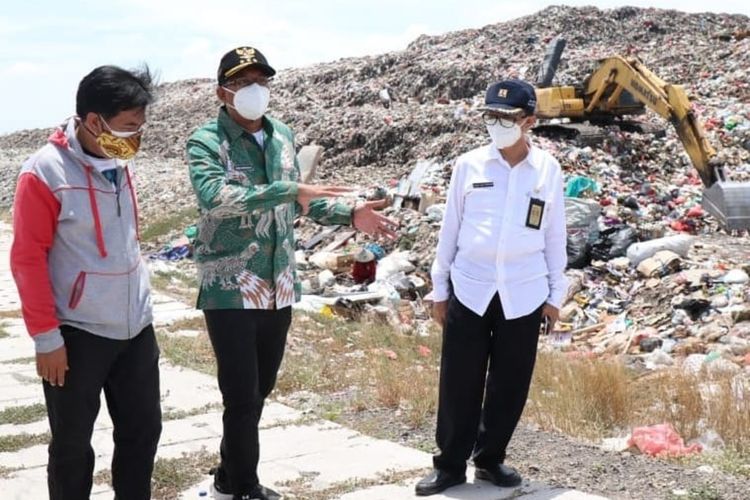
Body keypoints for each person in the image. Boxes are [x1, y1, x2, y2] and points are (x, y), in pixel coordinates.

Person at [186, 46, 397, 500]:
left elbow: (304, 200)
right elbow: (214, 196)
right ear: (222, 91)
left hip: (278, 283)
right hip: (232, 284)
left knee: (261, 388)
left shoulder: (281, 134)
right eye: (242, 83)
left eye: (260, 82)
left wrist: (349, 213)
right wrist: (290, 188)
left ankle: (228, 471)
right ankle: (244, 485)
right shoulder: (207, 141)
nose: (253, 91)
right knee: (240, 394)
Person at [10, 65, 161, 500]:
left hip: (135, 328)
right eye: (130, 127)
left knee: (143, 430)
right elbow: (27, 258)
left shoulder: (118, 159)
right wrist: (45, 338)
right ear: (95, 122)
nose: (136, 137)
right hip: (77, 333)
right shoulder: (44, 172)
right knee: (73, 446)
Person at [415, 79, 568, 496]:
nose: (497, 125)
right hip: (471, 286)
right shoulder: (469, 165)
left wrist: (556, 296)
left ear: (529, 122)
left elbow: (554, 236)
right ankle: (448, 465)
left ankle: (490, 459)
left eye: (507, 118)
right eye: (491, 117)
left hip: (525, 290)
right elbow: (450, 229)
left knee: (510, 382)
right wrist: (439, 288)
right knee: (459, 379)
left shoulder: (547, 170)